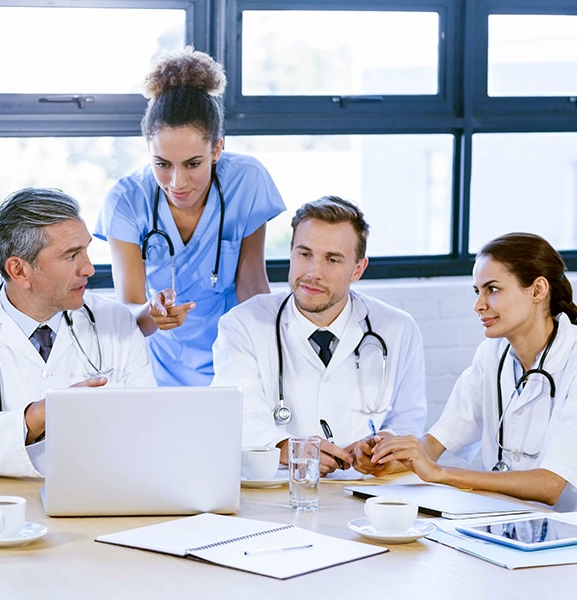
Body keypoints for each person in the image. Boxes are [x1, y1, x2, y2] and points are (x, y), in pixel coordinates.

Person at [0, 188, 156, 477]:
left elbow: (148, 427)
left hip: (98, 491)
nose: (89, 268)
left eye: (86, 249)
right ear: (20, 271)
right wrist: (43, 414)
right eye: (72, 255)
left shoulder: (115, 320)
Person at [94, 47, 285, 386]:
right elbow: (129, 312)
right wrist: (154, 315)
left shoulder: (247, 181)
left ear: (217, 149)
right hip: (156, 367)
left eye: (193, 164)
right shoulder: (125, 200)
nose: (177, 183)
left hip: (234, 358)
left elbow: (252, 285)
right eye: (162, 164)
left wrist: (276, 359)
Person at [211, 196, 427, 476]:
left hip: (365, 493)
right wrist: (288, 447)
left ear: (358, 269)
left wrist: (380, 451)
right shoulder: (243, 324)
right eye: (304, 254)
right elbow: (234, 415)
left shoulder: (398, 329)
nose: (313, 273)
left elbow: (409, 420)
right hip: (275, 492)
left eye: (332, 259)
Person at [371, 233, 577, 510]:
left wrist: (440, 473)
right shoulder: (491, 355)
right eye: (477, 291)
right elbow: (433, 444)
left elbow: (550, 485)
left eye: (492, 289)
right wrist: (385, 456)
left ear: (538, 290)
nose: (478, 305)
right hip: (505, 523)